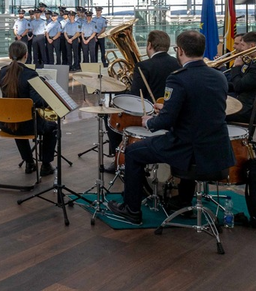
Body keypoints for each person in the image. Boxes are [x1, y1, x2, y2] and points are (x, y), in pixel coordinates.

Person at [109, 30, 235, 225]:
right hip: (216, 148)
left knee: (133, 152)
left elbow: (165, 122)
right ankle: (181, 200)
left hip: (186, 148)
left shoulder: (178, 78)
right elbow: (199, 107)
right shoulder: (219, 76)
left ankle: (131, 209)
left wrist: (149, 122)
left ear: (180, 50)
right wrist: (167, 107)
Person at [104, 30, 180, 171]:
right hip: (172, 115)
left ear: (149, 45)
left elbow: (134, 97)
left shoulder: (143, 66)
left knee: (109, 117)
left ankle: (118, 158)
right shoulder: (178, 64)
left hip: (148, 114)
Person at [0, 41, 57, 176]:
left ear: (9, 55)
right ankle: (46, 165)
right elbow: (37, 102)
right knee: (52, 126)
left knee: (17, 120)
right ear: (26, 55)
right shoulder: (30, 74)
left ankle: (29, 163)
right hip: (28, 125)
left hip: (6, 123)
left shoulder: (2, 72)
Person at [226, 30, 256, 123]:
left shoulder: (254, 66)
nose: (241, 49)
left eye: (242, 45)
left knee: (213, 113)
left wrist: (236, 67)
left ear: (251, 46)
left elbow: (239, 86)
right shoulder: (251, 62)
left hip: (247, 110)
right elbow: (238, 82)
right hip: (243, 104)